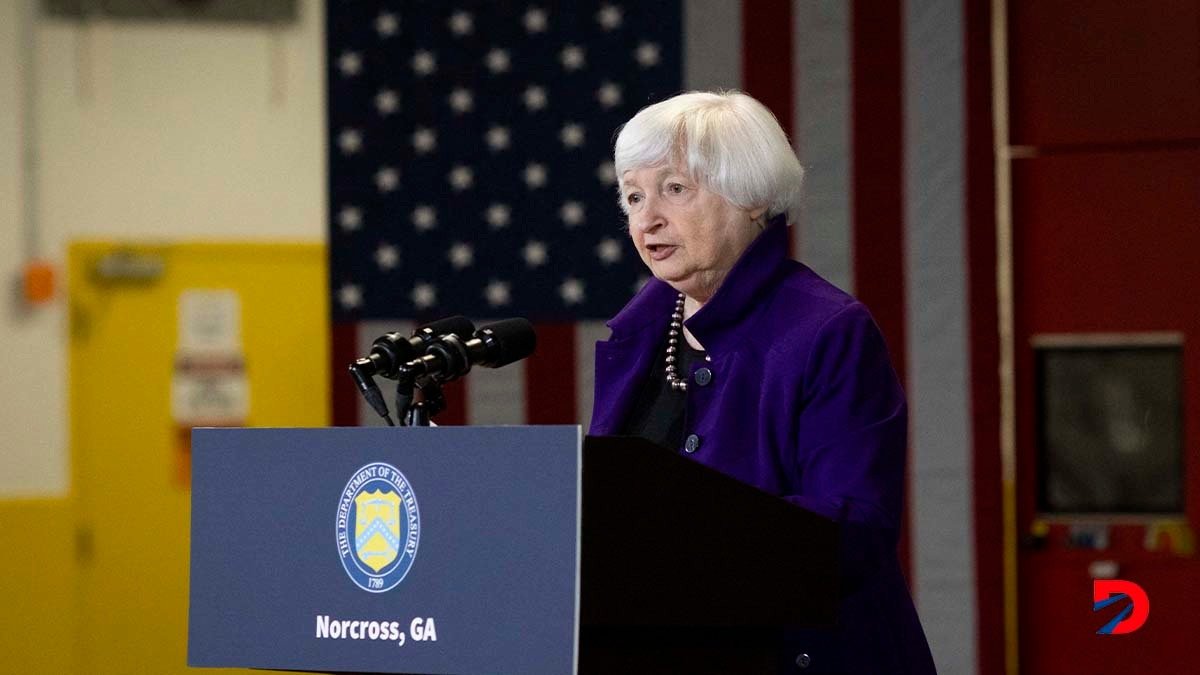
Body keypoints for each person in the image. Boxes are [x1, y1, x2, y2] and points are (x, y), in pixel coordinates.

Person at [588, 91, 937, 674]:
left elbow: (854, 527)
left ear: (750, 198)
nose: (646, 218)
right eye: (632, 196)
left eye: (674, 189)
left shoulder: (828, 330)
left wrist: (681, 552)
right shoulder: (637, 338)